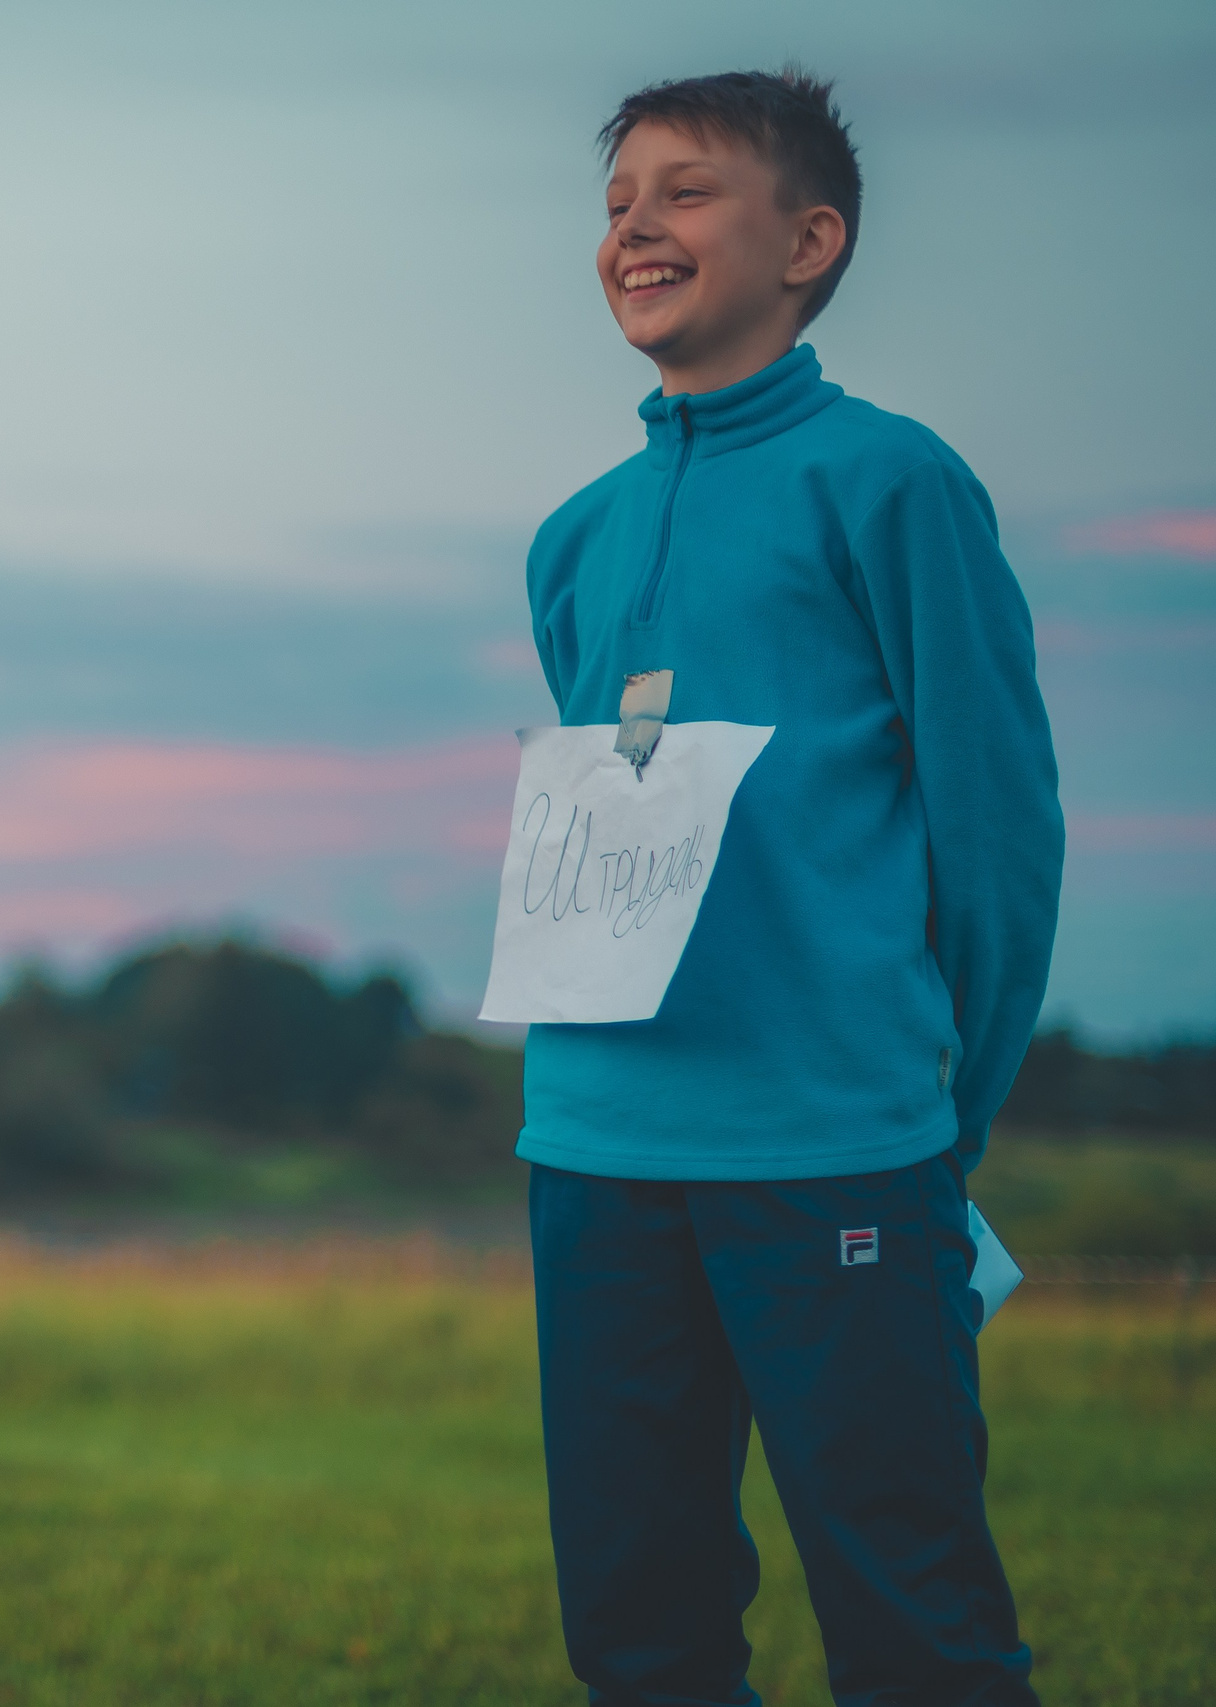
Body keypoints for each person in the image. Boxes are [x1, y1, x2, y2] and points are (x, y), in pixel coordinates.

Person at [517, 69, 1060, 1706]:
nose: (636, 229)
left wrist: (931, 1107)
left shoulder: (892, 486)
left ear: (809, 240)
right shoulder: (572, 540)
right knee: (640, 1625)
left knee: (914, 1619)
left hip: (839, 1146)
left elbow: (997, 830)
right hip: (594, 1153)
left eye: (685, 193)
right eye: (618, 204)